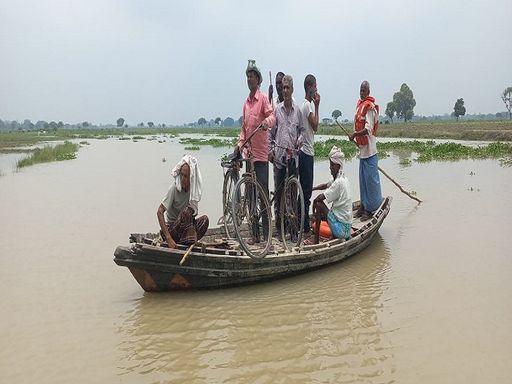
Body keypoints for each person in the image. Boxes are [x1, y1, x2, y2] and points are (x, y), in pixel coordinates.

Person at [234, 59, 275, 242]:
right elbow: (244, 128)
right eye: (247, 77)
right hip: (248, 155)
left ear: (258, 80)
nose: (249, 79)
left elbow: (272, 115)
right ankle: (254, 235)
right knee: (250, 195)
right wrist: (239, 144)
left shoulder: (263, 99)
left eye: (252, 76)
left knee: (263, 194)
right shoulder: (246, 103)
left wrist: (267, 123)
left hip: (261, 155)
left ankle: (266, 234)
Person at [270, 74, 304, 235]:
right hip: (279, 157)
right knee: (279, 192)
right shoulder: (277, 110)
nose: (285, 90)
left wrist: (299, 141)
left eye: (287, 88)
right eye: (283, 88)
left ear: (292, 89)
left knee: (292, 192)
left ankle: (292, 228)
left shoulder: (297, 111)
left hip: (293, 158)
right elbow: (271, 134)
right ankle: (278, 227)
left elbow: (302, 131)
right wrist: (271, 150)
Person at [157, 155, 209, 248]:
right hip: (173, 230)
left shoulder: (193, 191)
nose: (182, 178)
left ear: (191, 178)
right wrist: (168, 238)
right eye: (181, 174)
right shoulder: (174, 189)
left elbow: (191, 216)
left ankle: (187, 242)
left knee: (204, 220)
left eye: (186, 176)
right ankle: (188, 240)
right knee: (186, 211)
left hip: (185, 229)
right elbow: (159, 212)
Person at [349, 80, 382, 221]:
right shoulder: (359, 105)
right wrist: (354, 136)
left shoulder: (369, 108)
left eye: (364, 90)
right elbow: (356, 125)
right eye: (360, 90)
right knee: (363, 181)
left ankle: (370, 209)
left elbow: (368, 129)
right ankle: (363, 205)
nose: (361, 92)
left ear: (368, 92)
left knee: (371, 182)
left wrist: (355, 135)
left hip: (370, 152)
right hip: (363, 152)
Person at [307, 146, 352, 244]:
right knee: (325, 210)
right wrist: (313, 188)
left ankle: (316, 240)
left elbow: (319, 199)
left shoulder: (338, 183)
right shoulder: (342, 179)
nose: (330, 168)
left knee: (319, 204)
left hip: (342, 230)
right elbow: (325, 185)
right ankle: (328, 233)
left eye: (332, 165)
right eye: (330, 165)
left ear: (338, 165)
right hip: (347, 228)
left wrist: (314, 210)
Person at [299, 74, 320, 234]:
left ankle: (303, 224)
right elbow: (316, 126)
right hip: (306, 153)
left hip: (305, 152)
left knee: (304, 190)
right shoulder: (308, 106)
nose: (317, 90)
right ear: (310, 87)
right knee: (306, 192)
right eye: (315, 87)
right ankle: (305, 227)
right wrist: (318, 105)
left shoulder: (304, 105)